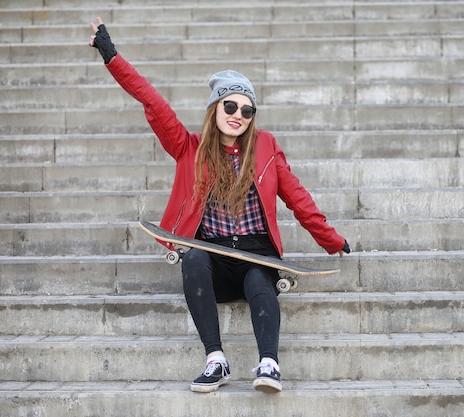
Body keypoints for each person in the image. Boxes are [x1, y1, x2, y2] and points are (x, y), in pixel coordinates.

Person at [89, 17, 350, 394]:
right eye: (231, 105)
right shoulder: (188, 147)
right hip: (210, 254)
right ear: (215, 107)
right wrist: (111, 56)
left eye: (248, 110)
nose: (238, 115)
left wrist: (332, 241)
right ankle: (216, 360)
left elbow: (297, 198)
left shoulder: (266, 148)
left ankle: (269, 365)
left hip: (255, 256)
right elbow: (151, 100)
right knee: (193, 259)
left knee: (261, 280)